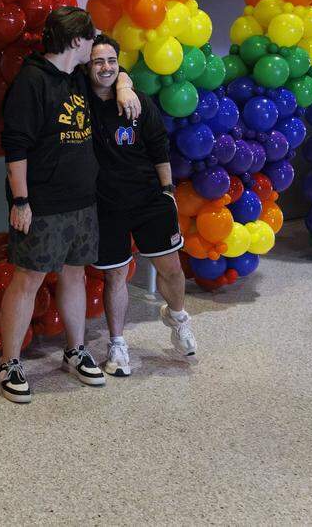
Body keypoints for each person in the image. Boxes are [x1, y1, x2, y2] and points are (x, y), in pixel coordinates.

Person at [0, 7, 140, 403]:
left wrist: (125, 83)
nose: (95, 46)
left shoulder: (77, 76)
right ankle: (9, 363)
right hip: (42, 203)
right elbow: (16, 148)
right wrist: (21, 200)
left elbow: (112, 70)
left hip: (82, 201)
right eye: (91, 39)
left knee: (75, 275)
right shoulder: (31, 81)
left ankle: (75, 350)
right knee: (28, 279)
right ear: (76, 42)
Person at [86, 34, 197, 377]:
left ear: (120, 65)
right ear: (87, 67)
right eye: (97, 62)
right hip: (107, 204)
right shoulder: (82, 104)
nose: (105, 68)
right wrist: (121, 83)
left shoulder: (139, 103)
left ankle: (178, 318)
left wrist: (168, 192)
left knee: (172, 270)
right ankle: (117, 344)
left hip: (150, 197)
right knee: (116, 276)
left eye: (111, 62)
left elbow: (158, 148)